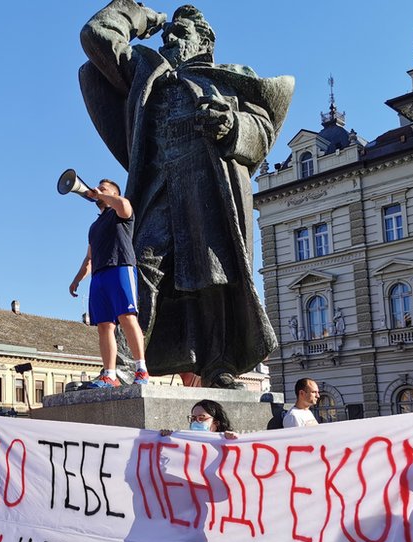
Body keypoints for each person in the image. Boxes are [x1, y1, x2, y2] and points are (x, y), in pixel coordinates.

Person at [79, 2, 290, 388]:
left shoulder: (230, 78)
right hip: (158, 185)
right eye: (168, 34)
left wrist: (231, 125)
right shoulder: (148, 73)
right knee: (140, 265)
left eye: (180, 32)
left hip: (207, 183)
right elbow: (96, 35)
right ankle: (126, 366)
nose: (170, 38)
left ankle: (218, 365)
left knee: (214, 273)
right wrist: (147, 18)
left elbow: (262, 128)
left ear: (204, 41)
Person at [69, 178, 150, 388]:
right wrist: (77, 279)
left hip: (121, 268)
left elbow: (123, 205)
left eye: (104, 188)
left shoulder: (121, 212)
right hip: (99, 276)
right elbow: (89, 258)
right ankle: (110, 374)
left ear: (113, 193)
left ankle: (141, 370)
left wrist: (102, 195)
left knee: (127, 317)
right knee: (104, 326)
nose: (98, 190)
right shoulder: (94, 226)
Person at [160, 400, 239, 439]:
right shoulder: (184, 441)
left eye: (201, 418)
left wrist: (233, 440)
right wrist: (166, 439)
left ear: (216, 423)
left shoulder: (226, 442)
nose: (195, 422)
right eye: (193, 418)